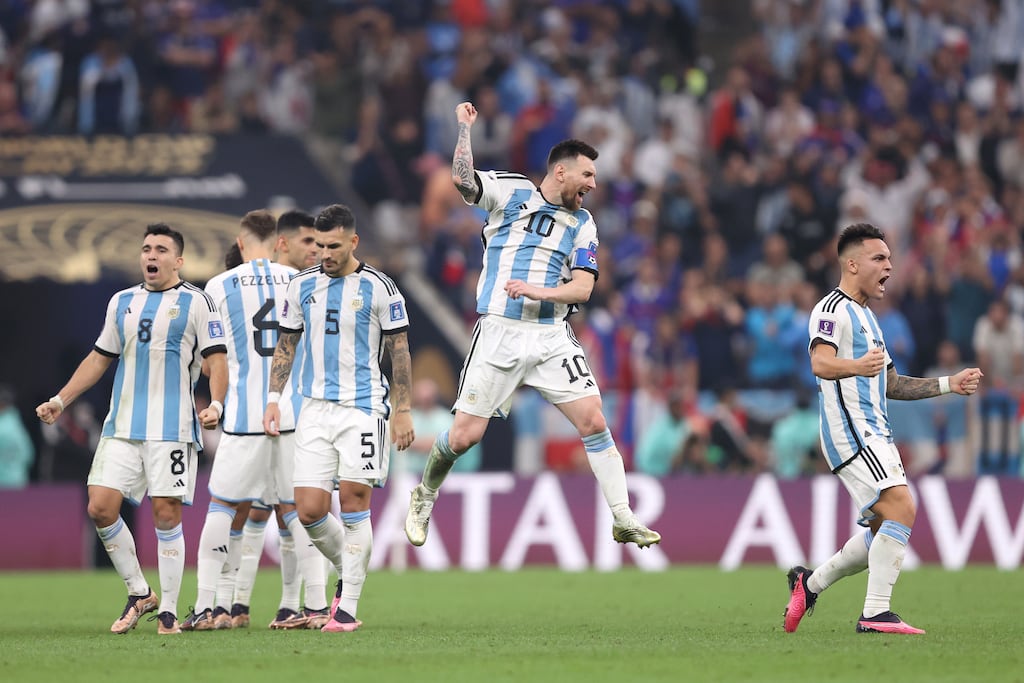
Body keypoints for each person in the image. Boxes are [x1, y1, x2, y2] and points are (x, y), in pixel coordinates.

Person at [404, 102, 660, 550]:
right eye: (587, 176)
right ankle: (424, 495)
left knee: (594, 420)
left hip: (550, 335)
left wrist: (542, 293)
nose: (593, 185)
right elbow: (464, 180)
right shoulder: (511, 191)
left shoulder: (583, 223)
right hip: (499, 330)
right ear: (561, 172)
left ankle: (622, 516)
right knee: (465, 436)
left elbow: (582, 289)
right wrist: (464, 130)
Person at [784, 223, 983, 636]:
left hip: (875, 430)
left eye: (890, 259)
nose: (889, 266)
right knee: (902, 507)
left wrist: (950, 383)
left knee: (882, 528)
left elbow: (891, 383)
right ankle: (875, 614)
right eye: (879, 259)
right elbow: (820, 364)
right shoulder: (830, 309)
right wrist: (857, 366)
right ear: (852, 264)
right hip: (851, 430)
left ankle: (810, 583)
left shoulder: (870, 320)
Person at [36, 223, 228, 635]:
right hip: (121, 426)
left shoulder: (199, 302)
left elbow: (217, 360)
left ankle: (170, 611)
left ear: (178, 260)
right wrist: (61, 399)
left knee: (165, 514)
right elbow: (99, 358)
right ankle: (140, 592)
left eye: (161, 249)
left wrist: (215, 403)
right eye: (146, 249)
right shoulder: (121, 302)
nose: (151, 255)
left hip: (172, 429)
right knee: (100, 507)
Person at [263, 203, 415, 633]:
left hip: (364, 409)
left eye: (332, 246)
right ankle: (349, 570)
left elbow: (399, 352)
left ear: (353, 241)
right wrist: (274, 397)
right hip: (313, 409)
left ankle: (346, 609)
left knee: (353, 503)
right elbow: (286, 344)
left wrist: (402, 409)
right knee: (308, 510)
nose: (323, 254)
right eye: (318, 245)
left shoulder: (381, 288)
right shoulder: (301, 286)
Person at [182, 210, 329, 632]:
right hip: (294, 414)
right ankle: (315, 607)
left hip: (244, 415)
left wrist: (216, 401)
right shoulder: (301, 281)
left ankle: (208, 606)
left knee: (223, 507)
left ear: (241, 243)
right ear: (279, 240)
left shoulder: (218, 286)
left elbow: (216, 358)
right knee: (301, 512)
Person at [231, 208, 321, 629]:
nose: (316, 249)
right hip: (283, 413)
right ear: (283, 243)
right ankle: (264, 603)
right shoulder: (305, 287)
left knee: (270, 511)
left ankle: (255, 603)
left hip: (275, 413)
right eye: (308, 242)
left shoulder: (238, 284)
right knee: (276, 510)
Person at [0, 384, 35, 488]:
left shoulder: (6, 427)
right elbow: (29, 456)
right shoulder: (17, 425)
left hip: (5, 485)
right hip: (19, 482)